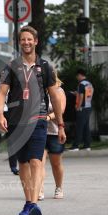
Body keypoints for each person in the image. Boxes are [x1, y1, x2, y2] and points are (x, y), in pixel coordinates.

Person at [0, 25, 66, 215]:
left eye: (30, 39)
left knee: (36, 161)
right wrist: (1, 114)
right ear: (20, 42)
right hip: (17, 122)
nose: (26, 42)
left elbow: (55, 96)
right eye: (23, 39)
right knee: (23, 164)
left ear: (36, 42)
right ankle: (29, 202)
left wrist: (60, 125)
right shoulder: (11, 66)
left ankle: (34, 203)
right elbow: (1, 93)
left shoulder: (45, 67)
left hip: (38, 120)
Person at [39, 72, 66, 201]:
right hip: (40, 131)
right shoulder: (39, 91)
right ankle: (39, 189)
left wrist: (48, 117)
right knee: (39, 162)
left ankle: (59, 187)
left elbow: (61, 110)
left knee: (56, 163)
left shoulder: (59, 91)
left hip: (54, 132)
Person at [69, 69, 94, 151]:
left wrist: (78, 106)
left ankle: (76, 145)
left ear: (80, 75)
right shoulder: (89, 83)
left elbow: (81, 96)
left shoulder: (81, 84)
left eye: (77, 76)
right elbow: (89, 94)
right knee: (86, 127)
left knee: (79, 127)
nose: (77, 78)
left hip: (82, 108)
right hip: (88, 106)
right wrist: (77, 94)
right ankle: (87, 145)